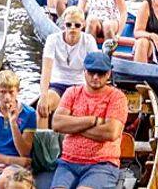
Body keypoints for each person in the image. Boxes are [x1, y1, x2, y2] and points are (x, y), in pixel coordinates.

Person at [51, 52, 127, 189]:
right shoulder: (71, 92)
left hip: (102, 165)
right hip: (67, 163)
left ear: (108, 74)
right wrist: (93, 120)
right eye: (92, 72)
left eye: (101, 73)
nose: (96, 77)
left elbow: (110, 133)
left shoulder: (117, 97)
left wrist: (73, 126)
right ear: (84, 71)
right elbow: (57, 124)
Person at [37, 6, 98, 129]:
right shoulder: (53, 39)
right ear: (63, 24)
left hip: (79, 86)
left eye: (77, 25)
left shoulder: (89, 41)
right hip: (57, 85)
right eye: (69, 25)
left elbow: (93, 70)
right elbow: (46, 70)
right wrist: (43, 96)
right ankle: (42, 146)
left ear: (83, 25)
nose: (72, 29)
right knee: (41, 109)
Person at [0, 70, 36, 174]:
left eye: (11, 92)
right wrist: (8, 160)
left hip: (18, 164)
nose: (7, 97)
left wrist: (13, 124)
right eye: (3, 92)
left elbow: (25, 153)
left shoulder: (29, 113)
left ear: (18, 91)